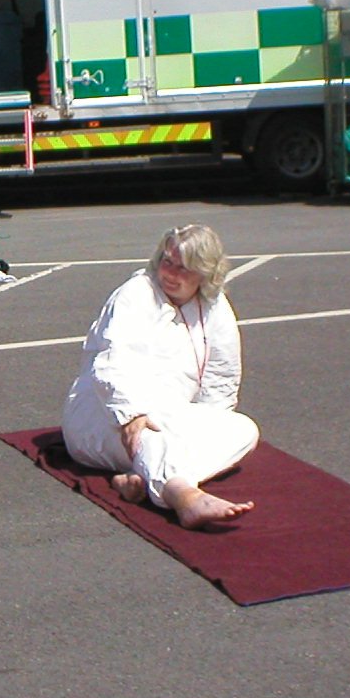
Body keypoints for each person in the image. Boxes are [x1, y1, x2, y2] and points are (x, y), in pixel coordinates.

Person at [62, 224, 259, 529]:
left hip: (171, 415)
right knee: (150, 437)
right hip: (103, 414)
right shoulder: (136, 293)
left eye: (183, 268)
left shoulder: (215, 307)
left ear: (205, 274)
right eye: (167, 261)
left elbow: (221, 377)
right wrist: (131, 414)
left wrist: (205, 428)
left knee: (243, 430)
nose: (170, 273)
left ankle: (140, 477)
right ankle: (184, 497)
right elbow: (112, 362)